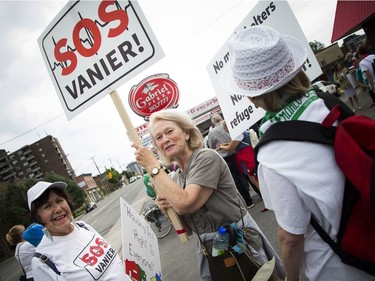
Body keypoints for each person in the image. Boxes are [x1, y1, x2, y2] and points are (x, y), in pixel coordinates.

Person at [222, 25, 375, 281]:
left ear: (251, 97)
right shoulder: (328, 104)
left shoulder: (272, 154)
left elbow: (291, 237)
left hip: (342, 267)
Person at [131, 109, 284, 281]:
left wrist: (153, 166)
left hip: (240, 243)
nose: (165, 139)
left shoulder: (206, 158)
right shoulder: (175, 177)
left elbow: (185, 203)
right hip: (212, 252)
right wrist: (166, 207)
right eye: (158, 137)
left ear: (187, 133)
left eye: (169, 131)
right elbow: (187, 230)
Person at [27, 181, 132, 281]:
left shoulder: (83, 226)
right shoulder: (42, 262)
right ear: (38, 217)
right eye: (47, 206)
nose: (58, 209)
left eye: (59, 200)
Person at [218, 121, 268, 212]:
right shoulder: (240, 132)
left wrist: (222, 147)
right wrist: (225, 145)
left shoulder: (237, 134)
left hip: (246, 156)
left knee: (254, 179)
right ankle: (267, 199)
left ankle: (267, 201)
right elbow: (233, 144)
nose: (224, 130)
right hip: (246, 155)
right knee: (256, 178)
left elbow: (230, 148)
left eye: (224, 128)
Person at [207, 114, 254, 208]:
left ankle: (248, 201)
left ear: (213, 122)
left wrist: (221, 146)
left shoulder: (212, 133)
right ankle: (259, 193)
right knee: (248, 174)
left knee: (236, 179)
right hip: (238, 151)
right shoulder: (232, 125)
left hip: (227, 157)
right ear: (220, 118)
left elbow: (211, 146)